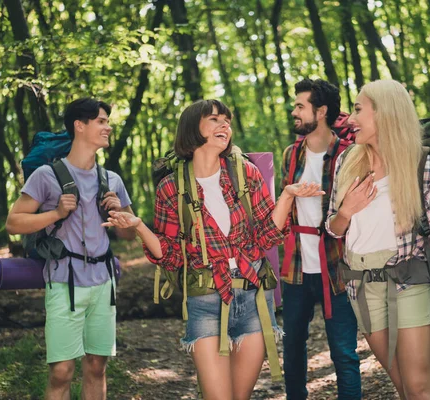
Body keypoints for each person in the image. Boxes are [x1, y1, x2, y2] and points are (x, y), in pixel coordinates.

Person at [104, 99, 324, 400]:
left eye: (227, 120)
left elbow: (265, 237)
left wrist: (286, 197)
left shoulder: (245, 173)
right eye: (215, 119)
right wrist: (141, 227)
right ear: (193, 130)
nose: (225, 125)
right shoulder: (171, 187)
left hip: (254, 295)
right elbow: (171, 255)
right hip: (206, 299)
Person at [326, 79, 430, 400]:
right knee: (401, 385)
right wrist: (346, 211)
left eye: (357, 110)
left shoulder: (424, 165)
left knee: (419, 386)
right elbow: (334, 228)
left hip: (408, 279)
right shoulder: (346, 162)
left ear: (385, 114)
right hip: (361, 285)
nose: (350, 119)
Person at [6, 98, 136, 400]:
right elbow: (13, 223)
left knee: (96, 366)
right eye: (101, 121)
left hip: (104, 283)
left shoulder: (112, 180)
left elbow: (130, 237)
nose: (108, 126)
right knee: (61, 370)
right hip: (64, 281)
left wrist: (120, 216)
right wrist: (55, 214)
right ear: (80, 125)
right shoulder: (47, 176)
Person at [280, 79, 361, 400]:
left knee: (344, 352)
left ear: (321, 111)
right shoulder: (290, 154)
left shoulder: (349, 154)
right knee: (292, 350)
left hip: (337, 266)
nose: (294, 111)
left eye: (300, 106)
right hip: (297, 269)